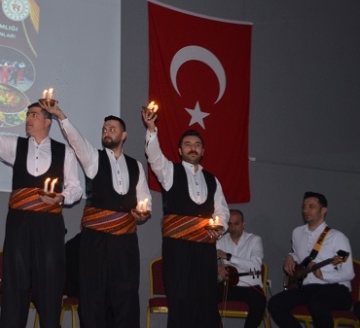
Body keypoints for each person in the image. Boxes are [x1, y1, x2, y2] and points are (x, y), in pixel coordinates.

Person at [0, 89, 83, 328]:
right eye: (27, 115)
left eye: (34, 115)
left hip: (49, 226)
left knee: (50, 285)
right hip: (19, 223)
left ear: (47, 122)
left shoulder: (64, 152)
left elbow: (75, 188)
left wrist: (60, 198)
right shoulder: (16, 146)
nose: (28, 119)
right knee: (15, 284)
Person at [43, 102, 151, 328]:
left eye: (112, 129)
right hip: (95, 241)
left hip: (125, 242)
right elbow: (76, 139)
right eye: (104, 129)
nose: (106, 132)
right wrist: (60, 115)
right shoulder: (93, 158)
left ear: (124, 135)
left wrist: (143, 212)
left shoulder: (136, 166)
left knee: (126, 294)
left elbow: (144, 197)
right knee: (93, 296)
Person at [142, 107, 229, 328]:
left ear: (203, 151)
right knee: (180, 300)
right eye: (188, 144)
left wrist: (219, 226)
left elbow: (222, 211)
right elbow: (154, 157)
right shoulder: (170, 172)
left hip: (204, 249)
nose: (193, 148)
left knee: (206, 301)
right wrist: (151, 129)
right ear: (180, 150)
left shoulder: (212, 180)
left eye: (197, 145)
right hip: (177, 250)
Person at [268, 192, 354, 328]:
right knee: (275, 303)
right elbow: (299, 253)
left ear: (323, 210)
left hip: (337, 289)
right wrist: (290, 257)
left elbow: (349, 273)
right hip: (309, 288)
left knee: (317, 304)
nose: (306, 210)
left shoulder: (338, 237)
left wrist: (324, 275)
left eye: (311, 207)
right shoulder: (297, 233)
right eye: (304, 206)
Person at [215, 209, 266, 328]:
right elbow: (207, 261)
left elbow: (256, 266)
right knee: (204, 298)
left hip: (250, 287)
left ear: (244, 224)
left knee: (259, 301)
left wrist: (229, 257)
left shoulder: (254, 240)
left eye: (236, 224)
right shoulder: (220, 241)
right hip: (228, 286)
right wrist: (217, 267)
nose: (233, 227)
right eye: (230, 224)